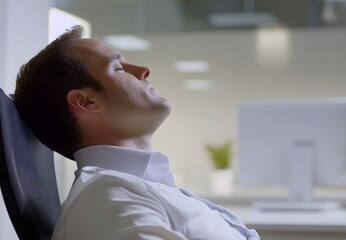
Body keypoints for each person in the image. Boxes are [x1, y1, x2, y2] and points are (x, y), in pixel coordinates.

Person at [14, 25, 259, 240]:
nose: (143, 70)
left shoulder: (131, 189)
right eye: (119, 67)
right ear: (86, 102)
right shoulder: (107, 198)